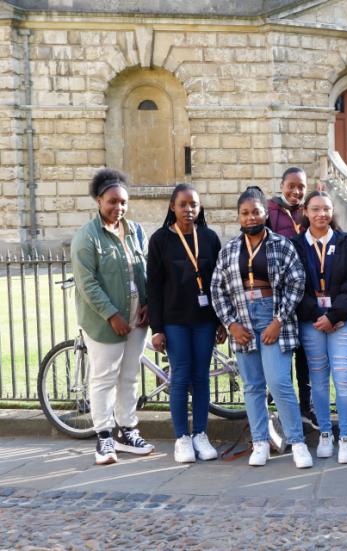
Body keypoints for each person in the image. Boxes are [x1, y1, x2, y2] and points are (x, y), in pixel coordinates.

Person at [211, 187, 312, 468]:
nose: (251, 217)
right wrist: (230, 323)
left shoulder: (282, 245)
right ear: (238, 217)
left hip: (273, 316)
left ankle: (297, 442)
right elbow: (217, 289)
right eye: (245, 213)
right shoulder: (230, 249)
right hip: (242, 318)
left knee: (279, 382)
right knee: (253, 386)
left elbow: (296, 283)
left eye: (256, 211)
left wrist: (279, 320)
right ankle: (260, 443)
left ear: (266, 214)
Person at [71, 169, 154, 465]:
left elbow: (144, 271)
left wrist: (147, 303)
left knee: (129, 376)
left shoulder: (136, 231)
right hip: (106, 321)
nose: (118, 208)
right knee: (105, 378)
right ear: (98, 201)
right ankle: (104, 436)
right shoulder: (87, 237)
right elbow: (87, 284)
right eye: (112, 202)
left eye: (123, 202)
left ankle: (127, 430)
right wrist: (111, 315)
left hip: (136, 318)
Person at [147, 184, 225, 464]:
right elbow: (153, 287)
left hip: (204, 321)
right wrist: (156, 328)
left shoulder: (209, 238)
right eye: (183, 205)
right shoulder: (159, 240)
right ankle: (182, 437)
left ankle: (200, 434)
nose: (189, 210)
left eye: (194, 205)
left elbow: (218, 283)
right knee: (180, 377)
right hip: (174, 321)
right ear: (172, 207)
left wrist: (221, 321)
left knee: (201, 377)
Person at [293, 191, 347, 464]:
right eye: (315, 209)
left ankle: (345, 436)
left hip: (342, 322)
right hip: (312, 323)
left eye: (326, 209)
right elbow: (295, 285)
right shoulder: (296, 245)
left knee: (344, 380)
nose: (321, 214)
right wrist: (317, 315)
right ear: (306, 213)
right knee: (319, 382)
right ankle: (325, 433)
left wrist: (334, 316)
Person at [266, 167, 316, 429]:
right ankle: (283, 413)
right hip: (280, 296)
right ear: (282, 185)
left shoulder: (310, 210)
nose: (296, 192)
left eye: (301, 187)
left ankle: (307, 408)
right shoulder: (269, 211)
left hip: (307, 294)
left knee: (306, 358)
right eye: (291, 186)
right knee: (281, 358)